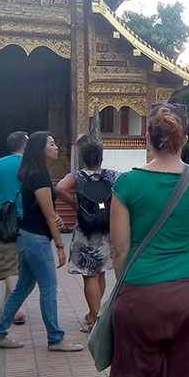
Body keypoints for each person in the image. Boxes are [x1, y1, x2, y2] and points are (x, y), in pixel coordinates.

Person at [109, 102, 189, 377]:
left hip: (141, 291)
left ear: (148, 138)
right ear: (184, 139)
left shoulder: (127, 183)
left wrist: (131, 289)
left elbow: (120, 249)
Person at [0, 131, 83, 352]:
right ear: (41, 149)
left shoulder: (36, 174)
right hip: (35, 238)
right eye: (51, 144)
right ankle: (55, 338)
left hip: (28, 235)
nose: (56, 146)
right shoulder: (38, 176)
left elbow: (46, 213)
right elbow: (49, 215)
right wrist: (60, 246)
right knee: (49, 287)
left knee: (21, 289)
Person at [56, 137, 117, 333]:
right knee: (99, 271)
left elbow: (59, 189)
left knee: (89, 274)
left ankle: (94, 318)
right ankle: (95, 313)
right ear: (101, 157)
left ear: (83, 158)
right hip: (106, 230)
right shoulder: (112, 175)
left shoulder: (77, 177)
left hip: (86, 231)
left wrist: (75, 204)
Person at [0, 131, 29, 326]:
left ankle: (15, 308)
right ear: (24, 146)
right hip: (26, 221)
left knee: (7, 263)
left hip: (3, 220)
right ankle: (9, 305)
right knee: (17, 265)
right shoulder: (31, 165)